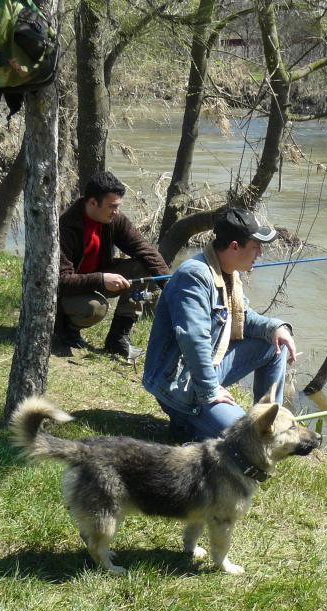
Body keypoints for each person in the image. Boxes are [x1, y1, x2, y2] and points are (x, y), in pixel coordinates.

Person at [143, 208, 297, 440]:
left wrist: (277, 328)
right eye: (256, 246)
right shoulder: (194, 277)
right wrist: (210, 389)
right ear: (235, 246)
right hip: (180, 385)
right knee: (244, 438)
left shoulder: (228, 273)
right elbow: (193, 339)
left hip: (207, 369)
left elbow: (244, 319)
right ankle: (187, 423)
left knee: (275, 344)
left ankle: (270, 422)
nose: (261, 253)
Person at [56, 171, 170, 360]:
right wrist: (101, 280)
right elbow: (61, 280)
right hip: (66, 291)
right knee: (95, 308)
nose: (116, 211)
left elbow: (145, 249)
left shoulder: (112, 219)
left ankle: (118, 338)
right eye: (112, 206)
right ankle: (66, 328)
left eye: (118, 206)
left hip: (94, 277)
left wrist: (170, 287)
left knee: (142, 266)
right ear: (93, 202)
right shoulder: (65, 227)